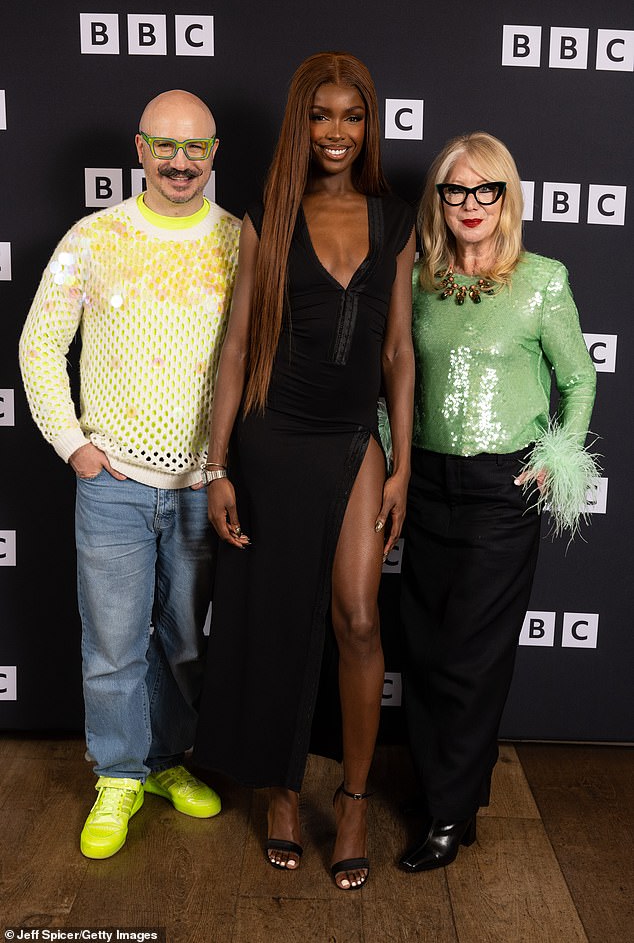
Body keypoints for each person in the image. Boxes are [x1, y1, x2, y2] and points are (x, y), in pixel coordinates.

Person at [193, 52, 415, 891]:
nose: (336, 132)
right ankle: (283, 793)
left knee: (358, 615)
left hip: (354, 437)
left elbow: (398, 351)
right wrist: (219, 465)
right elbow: (238, 347)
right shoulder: (270, 213)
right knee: (278, 617)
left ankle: (351, 798)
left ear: (369, 125)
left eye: (351, 116)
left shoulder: (393, 221)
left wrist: (401, 464)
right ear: (301, 122)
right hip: (272, 437)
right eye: (321, 116)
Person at [19, 90, 241, 859]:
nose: (181, 164)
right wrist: (75, 445)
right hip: (111, 481)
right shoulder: (94, 236)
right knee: (113, 644)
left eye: (196, 149)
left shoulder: (241, 243)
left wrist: (229, 465)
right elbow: (41, 344)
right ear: (139, 149)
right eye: (165, 147)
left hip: (200, 487)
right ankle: (116, 774)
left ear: (214, 153)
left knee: (184, 641)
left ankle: (165, 763)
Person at [399, 131, 599, 873]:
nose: (472, 204)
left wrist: (559, 454)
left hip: (500, 491)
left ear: (507, 198)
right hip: (425, 484)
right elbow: (399, 382)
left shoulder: (543, 279)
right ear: (440, 200)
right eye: (457, 190)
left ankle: (449, 815)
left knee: (471, 658)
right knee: (421, 647)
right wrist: (390, 460)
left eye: (488, 190)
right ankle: (445, 792)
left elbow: (578, 378)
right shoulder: (417, 277)